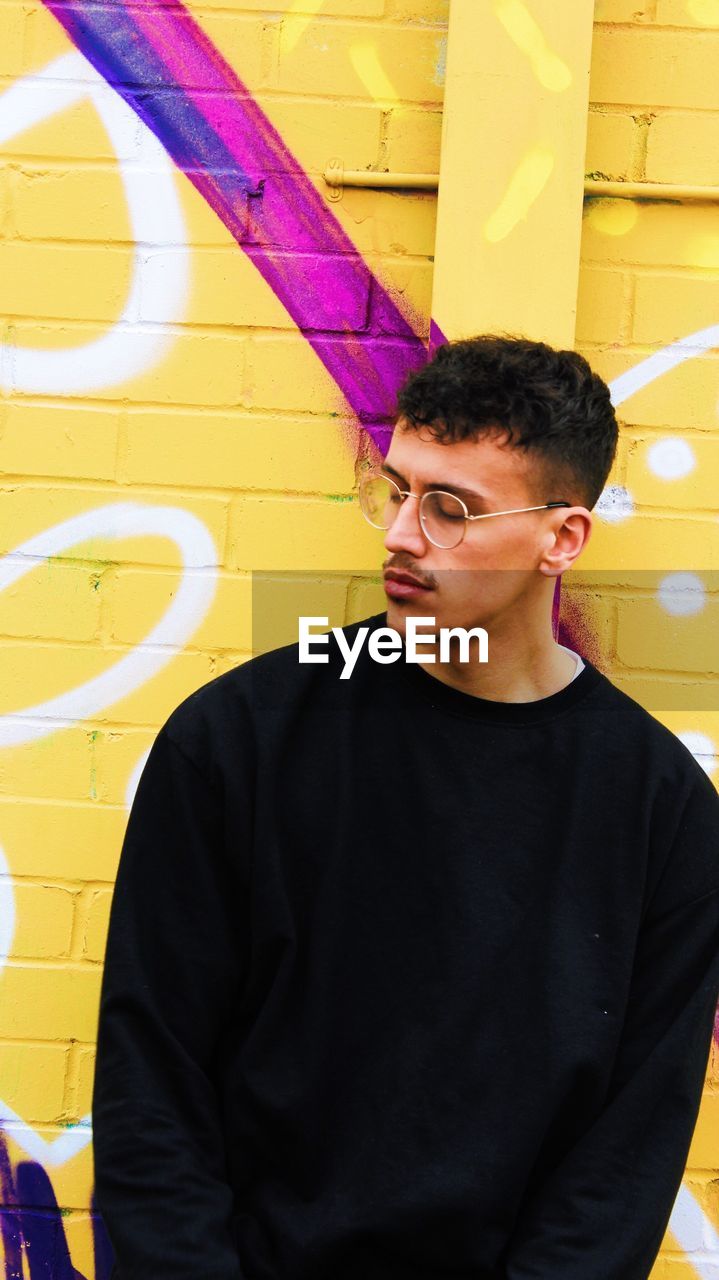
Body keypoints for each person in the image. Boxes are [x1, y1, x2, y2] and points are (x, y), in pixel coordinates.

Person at [92, 334, 719, 1280]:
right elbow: (153, 1085)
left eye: (450, 509)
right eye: (396, 489)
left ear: (562, 537)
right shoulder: (240, 741)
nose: (400, 533)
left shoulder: (659, 809)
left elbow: (624, 1161)